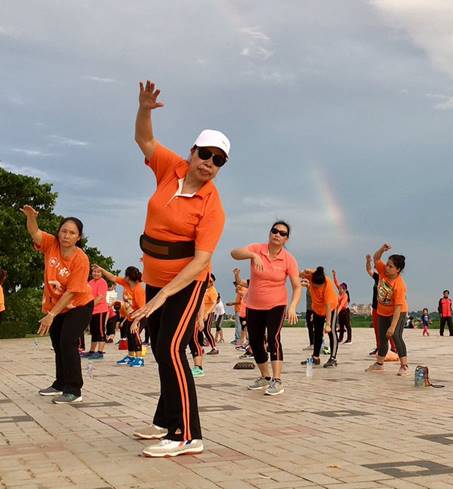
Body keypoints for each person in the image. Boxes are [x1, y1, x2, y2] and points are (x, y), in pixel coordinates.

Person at [127, 80, 228, 457]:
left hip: (184, 285)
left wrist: (163, 297)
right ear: (193, 151)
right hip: (154, 279)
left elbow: (201, 261)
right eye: (206, 154)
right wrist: (144, 109)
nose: (210, 164)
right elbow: (144, 141)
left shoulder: (212, 205)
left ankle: (187, 435)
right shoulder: (172, 168)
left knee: (171, 347)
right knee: (160, 348)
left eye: (219, 160)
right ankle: (164, 419)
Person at [22, 206, 95, 403]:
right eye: (64, 230)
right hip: (56, 306)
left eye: (72, 233)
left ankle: (74, 390)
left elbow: (72, 292)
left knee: (67, 342)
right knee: (57, 343)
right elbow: (34, 232)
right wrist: (31, 217)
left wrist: (51, 315)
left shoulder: (81, 259)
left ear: (78, 237)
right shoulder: (51, 244)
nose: (66, 235)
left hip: (79, 305)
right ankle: (60, 383)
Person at [231, 221, 301, 395]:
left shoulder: (288, 259)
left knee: (273, 338)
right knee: (255, 341)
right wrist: (253, 256)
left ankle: (277, 381)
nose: (277, 234)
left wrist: (292, 307)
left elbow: (297, 286)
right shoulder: (257, 248)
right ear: (270, 233)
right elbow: (234, 253)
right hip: (253, 305)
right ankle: (265, 377)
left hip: (276, 304)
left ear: (286, 239)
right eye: (274, 231)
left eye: (282, 233)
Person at [365, 243, 410, 376]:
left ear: (398, 269)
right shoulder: (383, 271)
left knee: (396, 335)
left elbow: (398, 308)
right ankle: (379, 364)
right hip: (382, 311)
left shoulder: (399, 285)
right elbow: (376, 258)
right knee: (382, 338)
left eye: (391, 266)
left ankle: (404, 365)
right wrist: (381, 250)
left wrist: (392, 326)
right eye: (387, 264)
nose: (387, 267)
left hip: (398, 312)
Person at [96, 265, 147, 367]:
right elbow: (112, 277)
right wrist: (102, 269)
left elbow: (143, 309)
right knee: (129, 336)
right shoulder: (125, 283)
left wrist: (136, 322)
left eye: (125, 275)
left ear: (128, 277)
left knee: (135, 335)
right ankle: (131, 356)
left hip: (140, 316)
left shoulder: (138, 290)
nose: (123, 277)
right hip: (130, 316)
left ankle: (140, 359)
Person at [300, 267, 338, 368]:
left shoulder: (327, 285)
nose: (316, 287)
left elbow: (328, 307)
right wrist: (305, 271)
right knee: (317, 333)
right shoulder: (312, 277)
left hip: (331, 307)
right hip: (317, 309)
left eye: (318, 286)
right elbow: (299, 275)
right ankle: (315, 358)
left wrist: (328, 324)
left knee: (331, 332)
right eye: (314, 285)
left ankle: (333, 358)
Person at [86, 266, 110, 359]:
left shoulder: (102, 282)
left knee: (100, 331)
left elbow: (100, 297)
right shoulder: (90, 282)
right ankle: (92, 351)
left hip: (100, 310)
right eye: (94, 272)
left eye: (98, 272)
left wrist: (89, 306)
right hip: (92, 311)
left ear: (101, 273)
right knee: (94, 331)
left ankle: (100, 352)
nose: (96, 273)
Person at [333, 270, 352, 344]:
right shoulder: (340, 293)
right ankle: (340, 339)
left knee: (347, 325)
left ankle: (349, 339)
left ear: (344, 290)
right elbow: (336, 283)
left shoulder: (345, 296)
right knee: (341, 325)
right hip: (340, 311)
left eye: (341, 288)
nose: (339, 289)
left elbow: (341, 305)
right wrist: (334, 275)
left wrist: (336, 312)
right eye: (339, 288)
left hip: (345, 311)